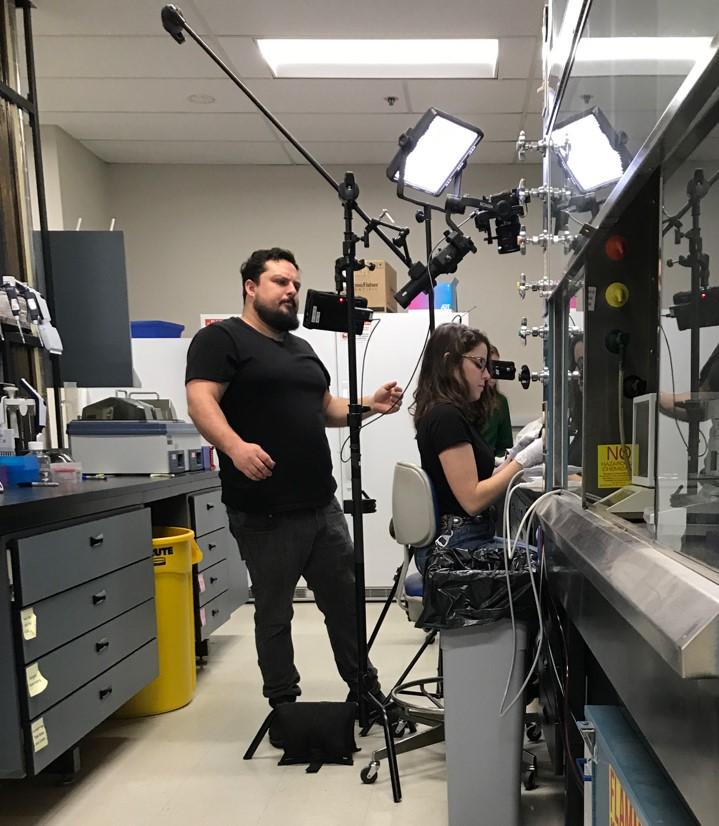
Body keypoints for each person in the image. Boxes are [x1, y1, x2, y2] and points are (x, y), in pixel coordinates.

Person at [184, 247, 403, 719]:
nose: (291, 292)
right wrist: (235, 448)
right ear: (251, 287)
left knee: (345, 606)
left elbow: (326, 409)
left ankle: (365, 692)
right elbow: (200, 401)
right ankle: (284, 706)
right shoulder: (222, 339)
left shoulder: (300, 349)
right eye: (281, 282)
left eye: (296, 285)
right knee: (275, 614)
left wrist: (371, 403)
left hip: (321, 506)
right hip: (264, 511)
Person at [410, 323, 544, 573]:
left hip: (462, 542)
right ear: (450, 363)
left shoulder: (447, 413)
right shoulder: (446, 417)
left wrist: (514, 456)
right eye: (479, 364)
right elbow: (472, 499)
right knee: (547, 568)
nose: (487, 376)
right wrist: (524, 461)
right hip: (455, 549)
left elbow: (474, 481)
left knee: (539, 560)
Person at [481, 344, 514, 457]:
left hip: (493, 463)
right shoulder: (466, 400)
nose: (493, 372)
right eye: (490, 366)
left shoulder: (500, 402)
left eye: (497, 366)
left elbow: (504, 446)